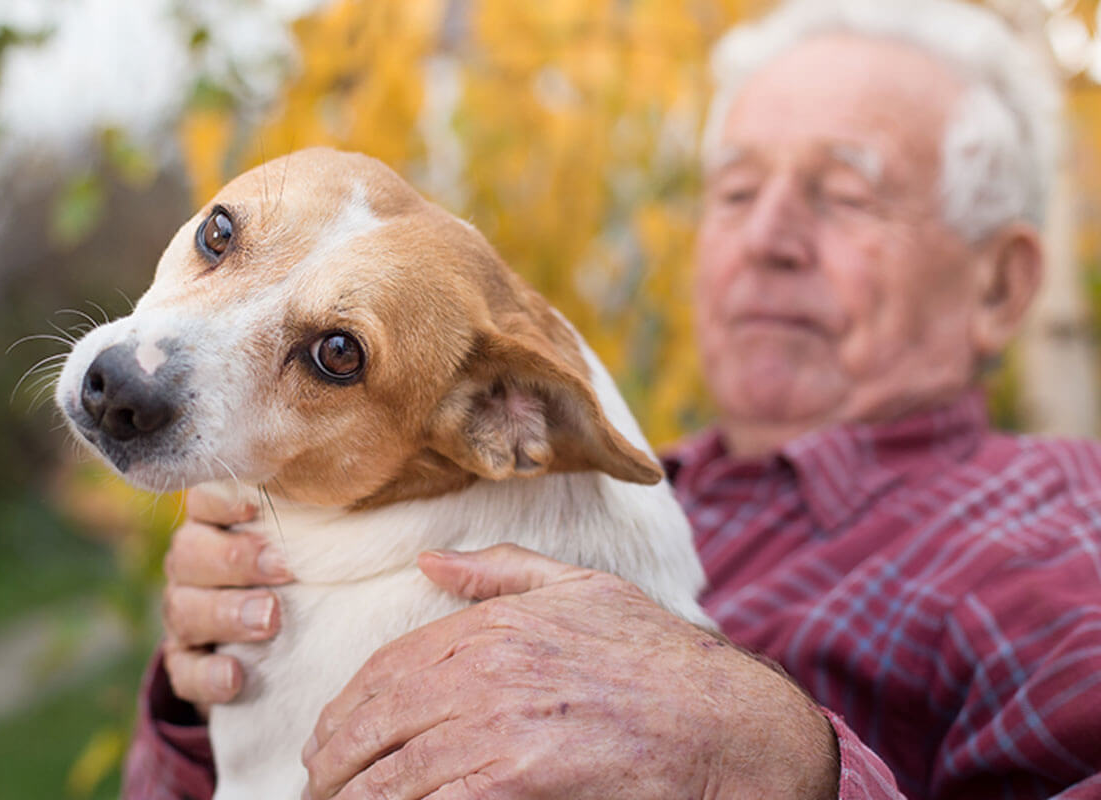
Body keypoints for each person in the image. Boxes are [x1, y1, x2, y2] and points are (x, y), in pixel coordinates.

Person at [122, 0, 1101, 798]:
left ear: (1000, 287)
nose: (767, 238)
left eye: (845, 195)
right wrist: (219, 671)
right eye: (734, 189)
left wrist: (782, 761)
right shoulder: (578, 479)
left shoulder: (1058, 526)